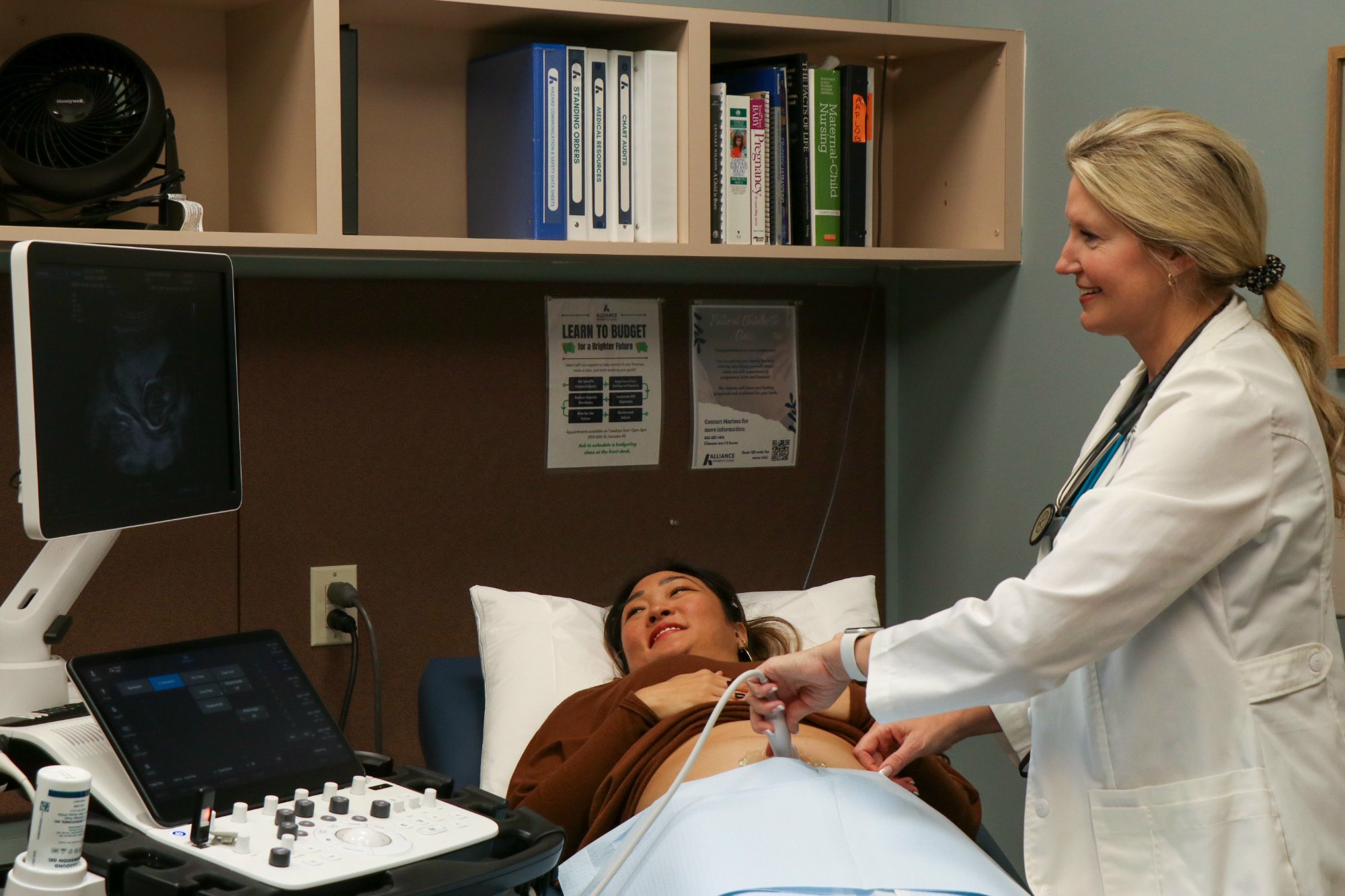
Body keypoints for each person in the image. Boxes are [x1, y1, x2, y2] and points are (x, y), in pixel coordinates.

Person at [746, 108, 1344, 895]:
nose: (1065, 262)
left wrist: (841, 658)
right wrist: (969, 715)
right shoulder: (1159, 383)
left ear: (1176, 252)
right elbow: (1126, 624)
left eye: (1091, 238)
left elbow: (1051, 622)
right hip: (1179, 811)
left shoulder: (1228, 402)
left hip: (1237, 837)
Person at [505, 564, 985, 857]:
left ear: (739, 630)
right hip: (697, 844)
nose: (656, 610)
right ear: (623, 658)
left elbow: (962, 819)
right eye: (634, 612)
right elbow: (526, 839)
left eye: (679, 593)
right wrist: (639, 712)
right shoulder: (596, 706)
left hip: (872, 823)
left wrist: (859, 709)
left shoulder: (829, 685)